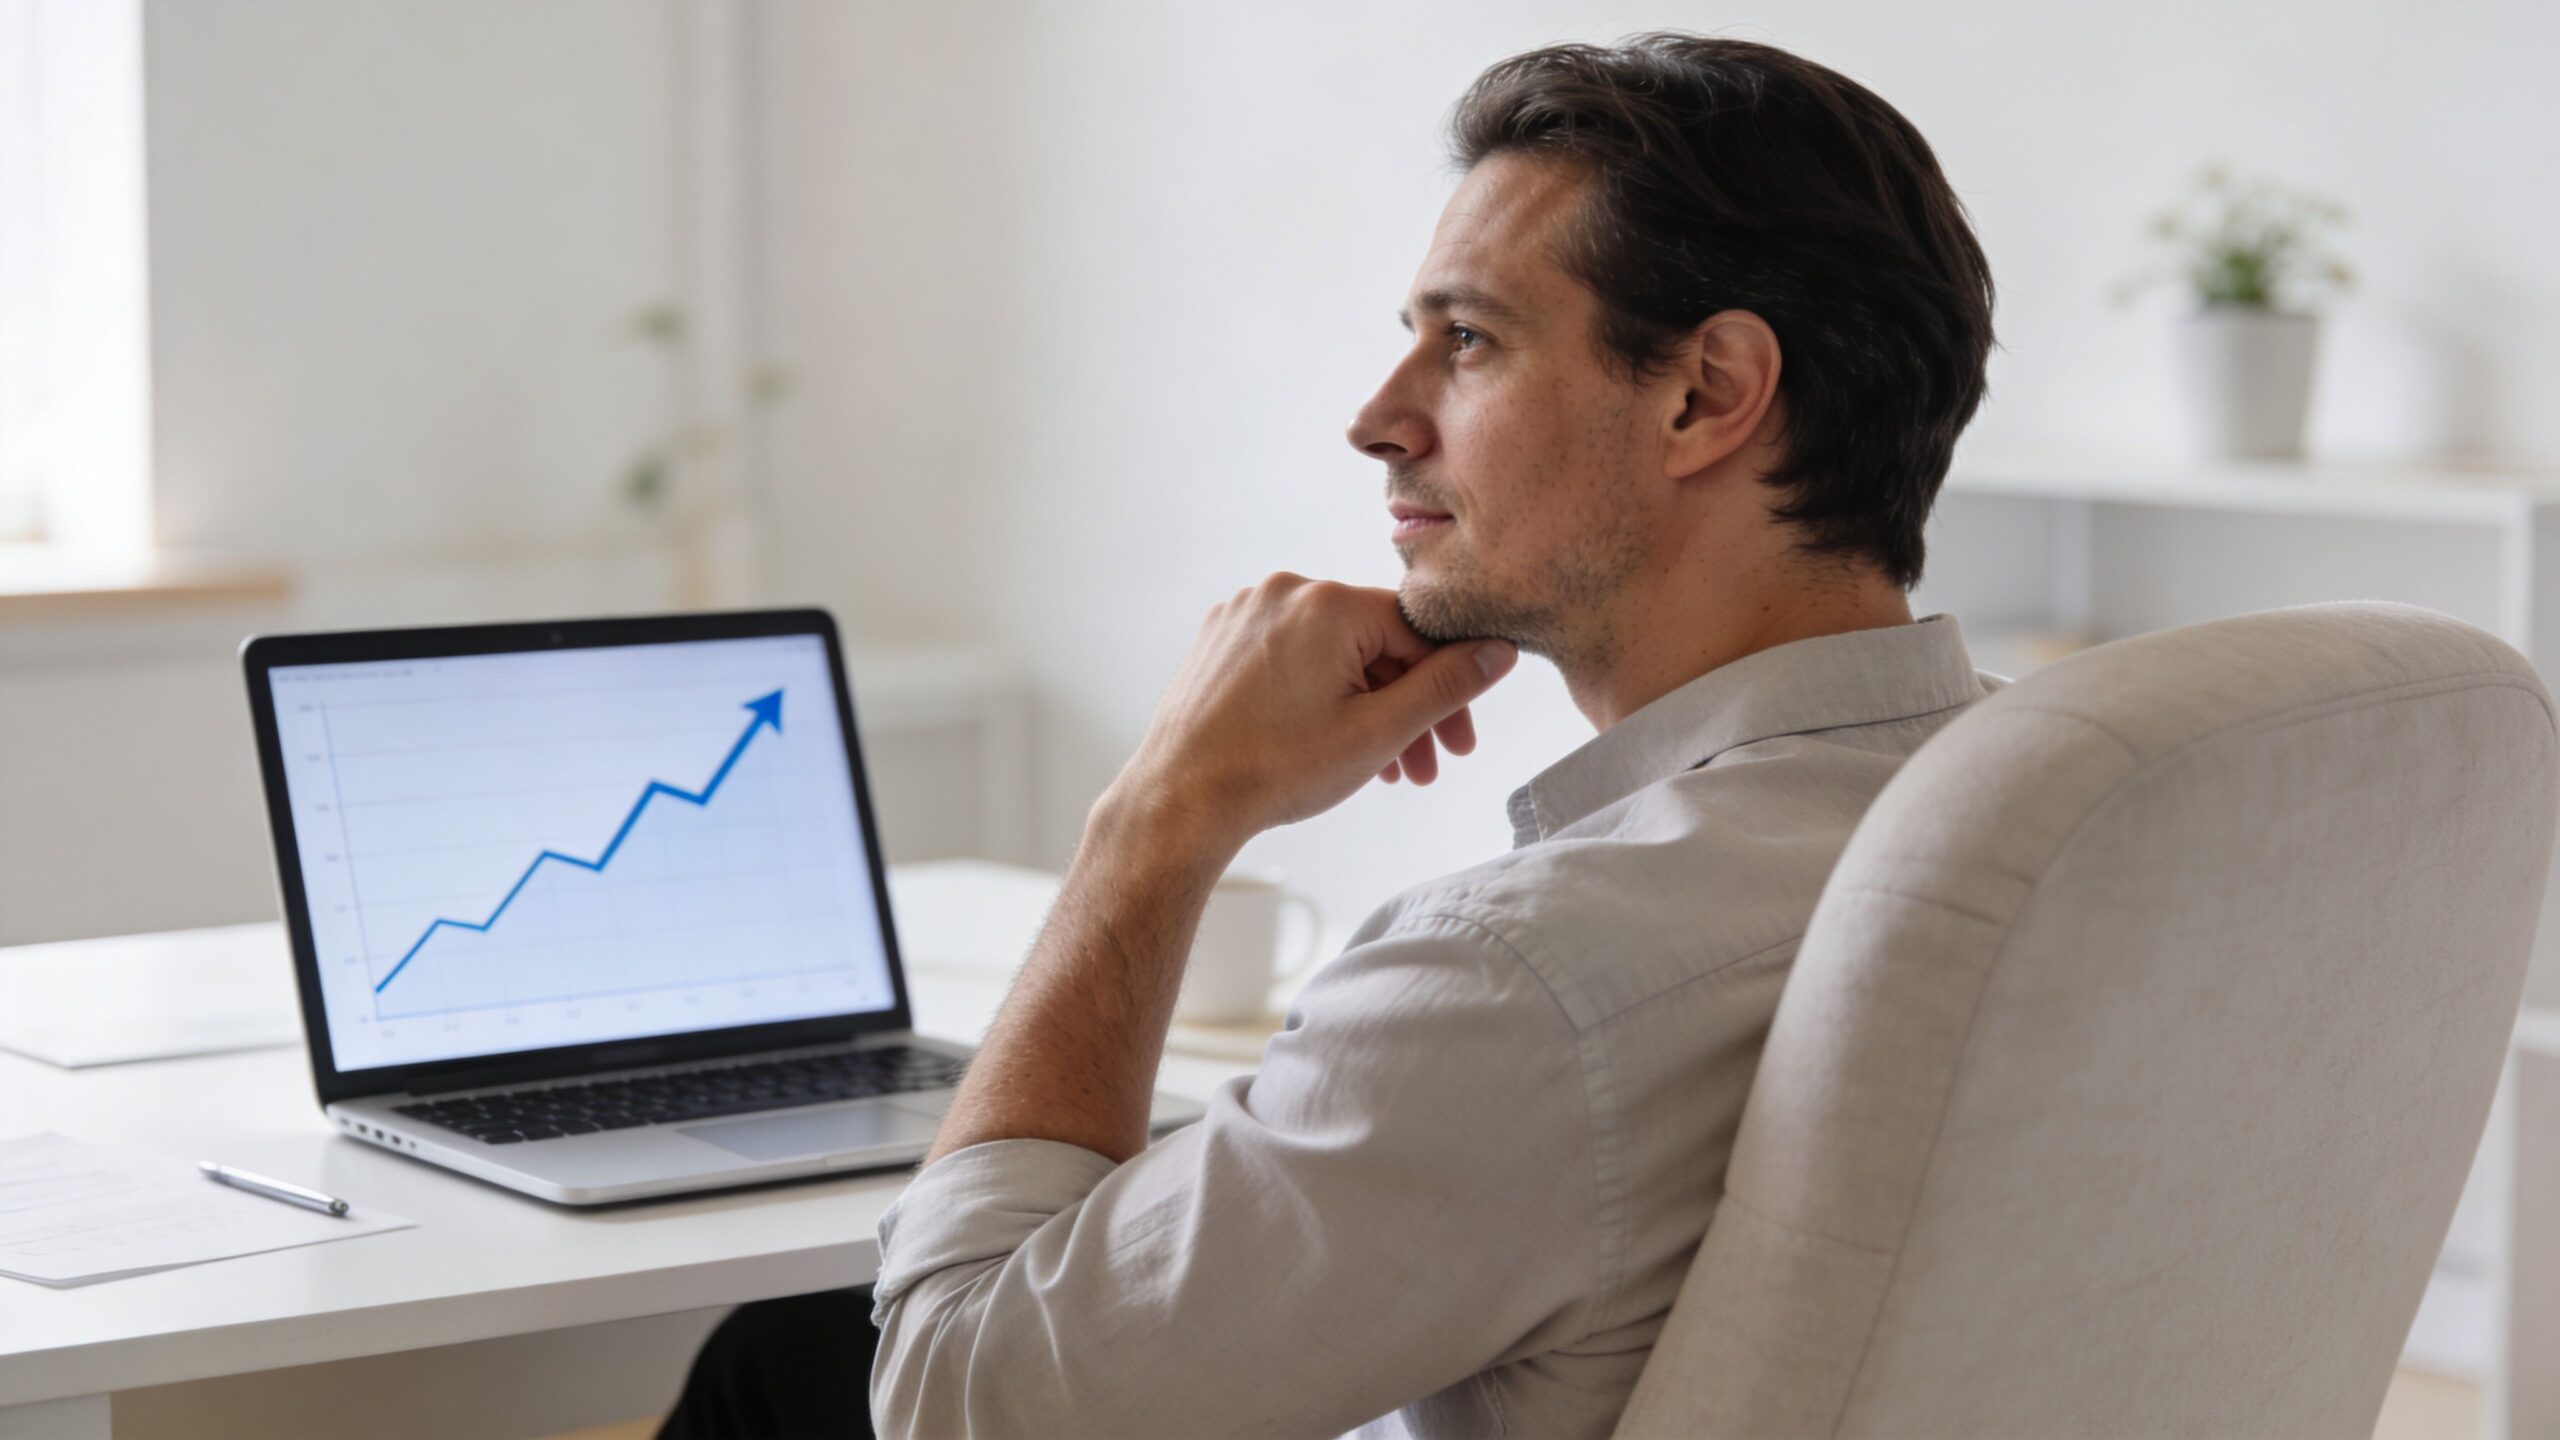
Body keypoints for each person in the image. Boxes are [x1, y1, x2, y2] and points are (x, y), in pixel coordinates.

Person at [659, 30, 2000, 1440]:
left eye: (1468, 338)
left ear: (1706, 394)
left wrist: (1158, 817)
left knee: (776, 1370)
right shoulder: (2092, 816)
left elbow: (954, 1402)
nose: (1377, 419)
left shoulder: (1539, 980)